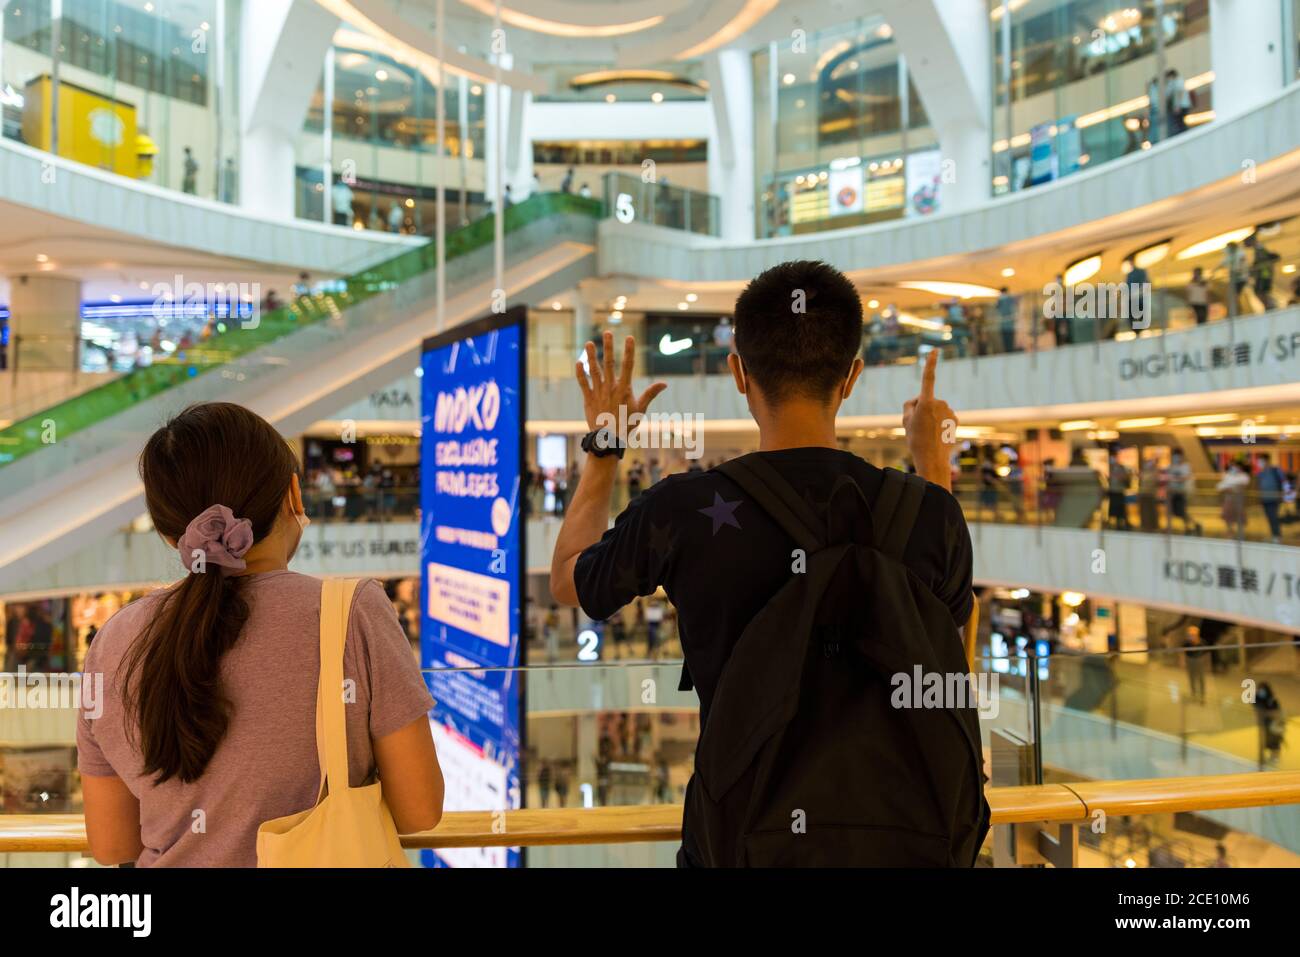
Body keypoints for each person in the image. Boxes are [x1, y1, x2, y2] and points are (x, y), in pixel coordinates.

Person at [548, 260, 980, 867]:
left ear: (738, 373)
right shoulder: (930, 514)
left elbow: (569, 578)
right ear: (851, 376)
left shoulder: (686, 510)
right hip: (905, 845)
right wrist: (931, 466)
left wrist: (604, 447)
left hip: (742, 844)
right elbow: (948, 635)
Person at [76, 402, 442, 866]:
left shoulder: (114, 641)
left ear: (171, 535)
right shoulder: (352, 612)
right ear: (294, 495)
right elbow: (420, 810)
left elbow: (113, 847)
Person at [1167, 449, 1201, 535]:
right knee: (1176, 512)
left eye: (1177, 456)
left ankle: (1188, 527)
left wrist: (1177, 479)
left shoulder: (1186, 466)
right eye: (1174, 456)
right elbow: (1169, 479)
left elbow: (1187, 477)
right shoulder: (1172, 466)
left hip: (1183, 492)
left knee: (1181, 510)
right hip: (1174, 492)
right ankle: (1194, 525)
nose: (1176, 458)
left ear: (1181, 456)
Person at [1256, 453, 1286, 543]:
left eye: (1261, 461)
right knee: (1269, 517)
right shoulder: (1260, 473)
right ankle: (1274, 535)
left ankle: (1277, 536)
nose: (1259, 463)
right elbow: (1259, 485)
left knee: (1274, 517)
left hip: (1274, 498)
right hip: (1264, 499)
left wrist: (1283, 495)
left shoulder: (1275, 470)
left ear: (1267, 461)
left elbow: (1283, 482)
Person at [1217, 460, 1249, 539]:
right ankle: (1230, 532)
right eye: (1232, 466)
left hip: (1239, 500)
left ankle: (1241, 534)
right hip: (1229, 499)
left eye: (1235, 466)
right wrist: (1230, 488)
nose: (1234, 468)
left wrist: (1230, 488)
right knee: (1228, 517)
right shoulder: (1227, 475)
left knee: (1240, 517)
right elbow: (1220, 487)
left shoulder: (1244, 476)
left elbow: (1241, 487)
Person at [1184, 624, 1209, 705]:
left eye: (1193, 635)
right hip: (1190, 661)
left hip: (1199, 661)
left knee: (1201, 679)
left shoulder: (1202, 642)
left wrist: (1207, 663)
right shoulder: (1187, 642)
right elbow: (1183, 652)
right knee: (1192, 678)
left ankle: (1202, 697)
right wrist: (1182, 661)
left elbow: (1207, 653)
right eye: (1190, 635)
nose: (1191, 636)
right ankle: (1193, 694)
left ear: (1196, 635)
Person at [1106, 450, 1131, 530]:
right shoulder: (1110, 468)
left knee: (1120, 508)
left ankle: (1121, 523)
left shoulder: (1121, 467)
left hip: (1119, 491)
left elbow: (1124, 477)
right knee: (1113, 507)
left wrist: (1119, 477)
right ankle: (1113, 522)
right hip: (1113, 491)